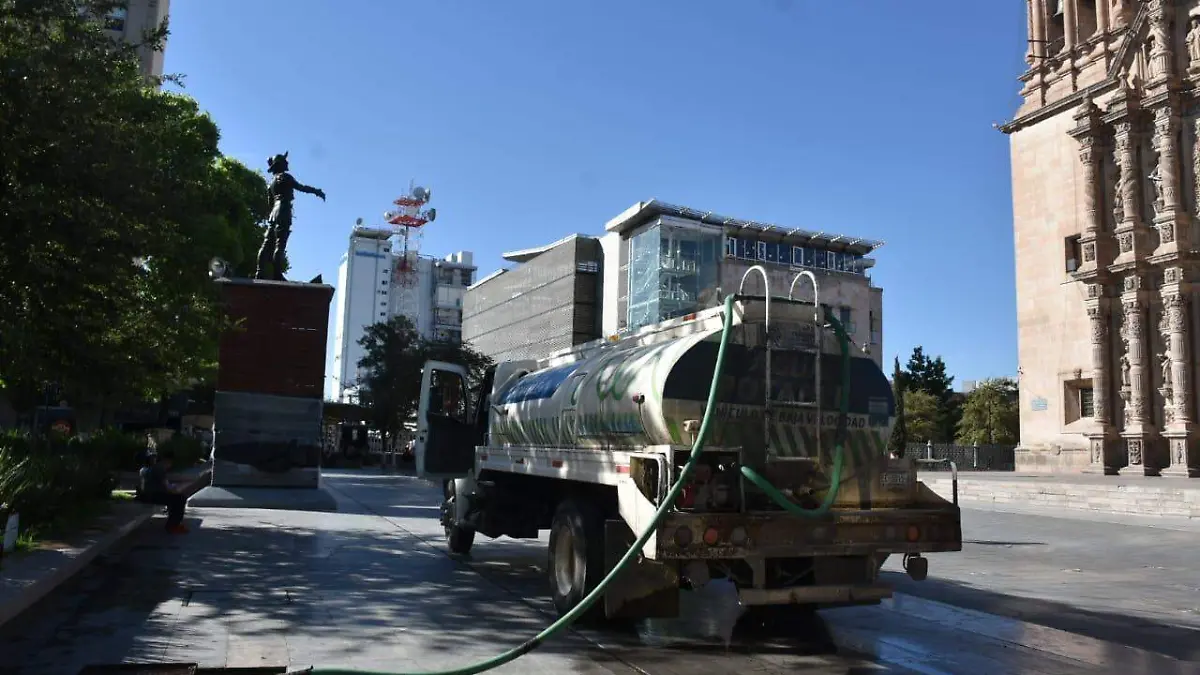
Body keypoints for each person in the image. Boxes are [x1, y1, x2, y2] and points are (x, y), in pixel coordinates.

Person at [138, 450, 189, 534]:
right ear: (167, 461)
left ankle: (173, 523)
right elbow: (168, 487)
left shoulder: (151, 468)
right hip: (152, 496)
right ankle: (173, 525)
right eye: (171, 463)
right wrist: (176, 491)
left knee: (175, 499)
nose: (170, 466)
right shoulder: (159, 469)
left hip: (146, 495)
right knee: (181, 499)